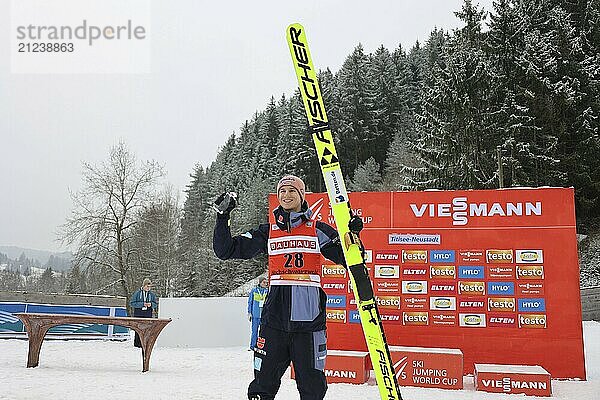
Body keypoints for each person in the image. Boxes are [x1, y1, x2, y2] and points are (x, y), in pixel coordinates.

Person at [213, 174, 363, 400]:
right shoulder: (268, 231)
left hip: (309, 325)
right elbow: (225, 250)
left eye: (292, 191)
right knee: (262, 387)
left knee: (313, 390)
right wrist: (222, 217)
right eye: (282, 191)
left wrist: (355, 235)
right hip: (274, 323)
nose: (286, 195)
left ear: (302, 196)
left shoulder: (318, 230)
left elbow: (351, 259)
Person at [129, 278, 158, 348]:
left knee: (147, 328)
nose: (148, 288)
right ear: (144, 285)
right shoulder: (137, 293)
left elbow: (155, 304)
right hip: (138, 312)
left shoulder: (152, 294)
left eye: (150, 287)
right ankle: (137, 343)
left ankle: (145, 343)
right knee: (138, 327)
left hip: (148, 312)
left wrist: (151, 304)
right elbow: (132, 303)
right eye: (147, 286)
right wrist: (142, 304)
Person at [248, 276, 269, 350]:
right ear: (260, 283)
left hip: (264, 315)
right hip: (255, 314)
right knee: (254, 331)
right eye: (264, 282)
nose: (265, 284)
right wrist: (249, 312)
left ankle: (262, 346)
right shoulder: (254, 291)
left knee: (264, 332)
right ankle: (252, 346)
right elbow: (250, 302)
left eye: (266, 282)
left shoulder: (267, 291)